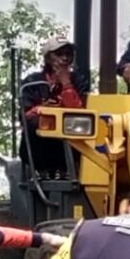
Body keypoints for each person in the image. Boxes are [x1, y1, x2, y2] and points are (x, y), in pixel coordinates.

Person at [21, 35, 91, 176]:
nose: (64, 58)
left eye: (68, 54)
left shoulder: (79, 80)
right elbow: (25, 115)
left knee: (78, 125)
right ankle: (42, 171)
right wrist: (44, 110)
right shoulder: (32, 81)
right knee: (36, 124)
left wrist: (66, 84)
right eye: (59, 54)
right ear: (48, 58)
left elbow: (80, 113)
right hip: (40, 147)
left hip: (71, 146)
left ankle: (67, 169)